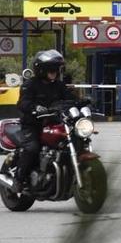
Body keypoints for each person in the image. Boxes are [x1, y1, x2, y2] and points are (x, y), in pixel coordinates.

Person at [14, 50, 78, 194]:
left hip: (54, 122)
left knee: (72, 141)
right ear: (41, 69)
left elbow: (70, 98)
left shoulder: (59, 85)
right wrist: (34, 107)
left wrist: (83, 103)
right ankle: (18, 179)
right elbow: (22, 103)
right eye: (50, 68)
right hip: (33, 125)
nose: (54, 72)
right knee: (32, 148)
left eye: (56, 68)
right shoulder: (30, 85)